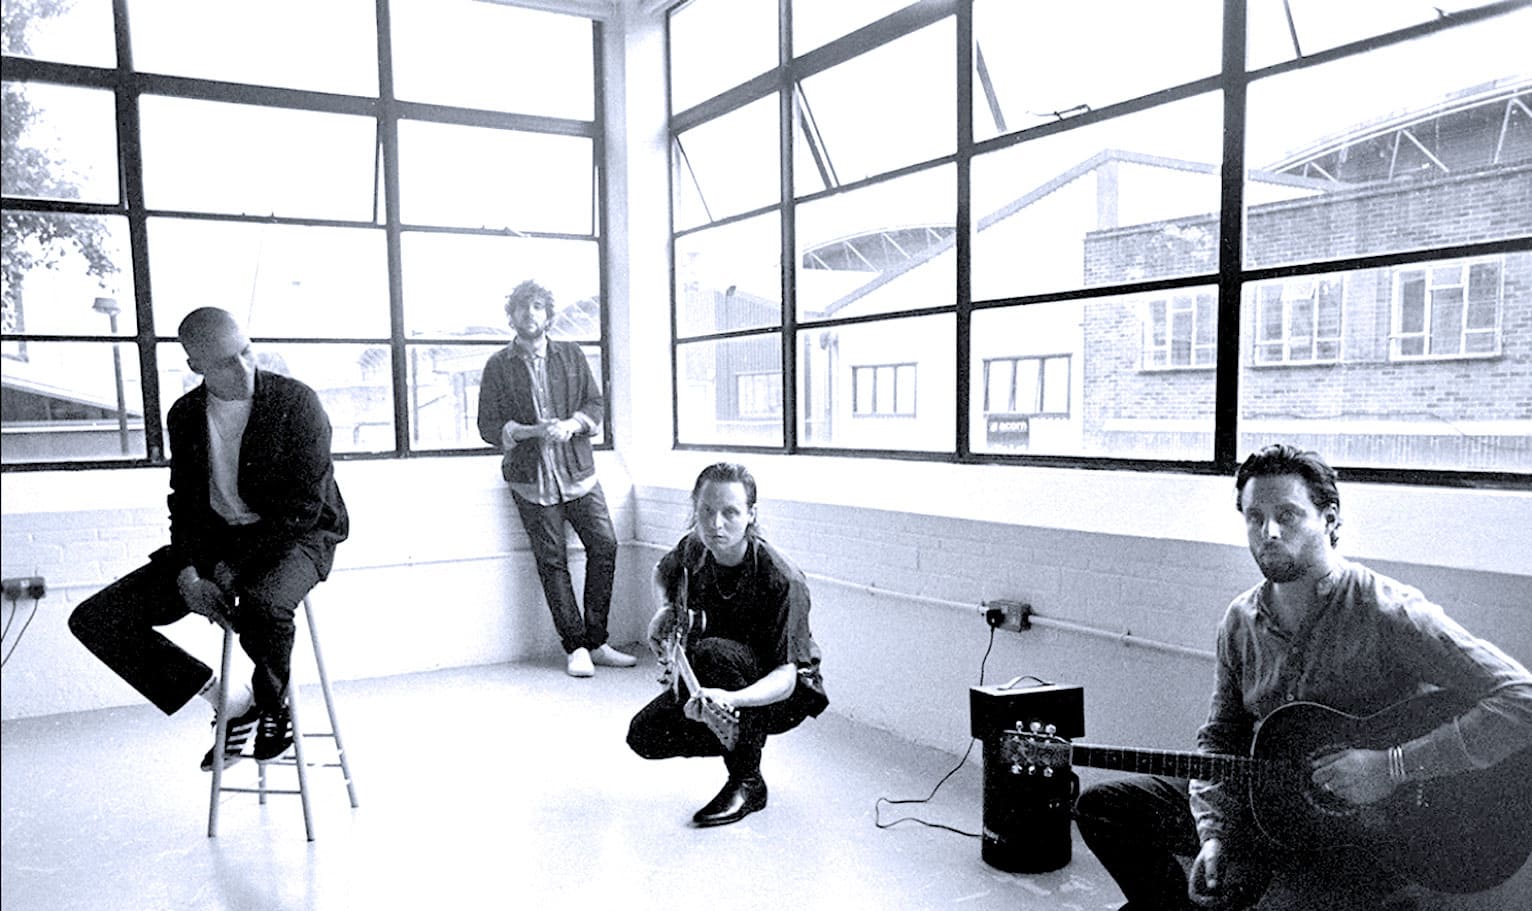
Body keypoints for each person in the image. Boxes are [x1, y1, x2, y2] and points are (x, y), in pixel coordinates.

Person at [1075, 443, 1532, 911]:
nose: (1268, 532)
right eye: (1255, 518)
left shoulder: (1387, 610)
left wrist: (1392, 766)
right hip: (1265, 808)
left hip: (1354, 836)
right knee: (1105, 808)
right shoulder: (1239, 620)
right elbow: (1220, 737)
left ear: (1330, 521)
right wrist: (1213, 834)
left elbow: (1522, 698)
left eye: (1288, 515)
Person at [69, 307, 349, 771]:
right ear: (195, 365)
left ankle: (274, 707)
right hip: (220, 543)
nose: (242, 369)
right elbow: (186, 503)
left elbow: (303, 506)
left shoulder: (296, 403)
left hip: (299, 535)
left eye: (246, 352)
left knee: (262, 604)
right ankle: (230, 701)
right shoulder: (184, 414)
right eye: (224, 362)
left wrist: (231, 570)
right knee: (97, 618)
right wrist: (188, 574)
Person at [626, 462, 829, 827]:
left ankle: (747, 781)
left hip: (782, 694)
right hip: (718, 673)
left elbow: (787, 677)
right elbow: (663, 571)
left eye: (730, 512)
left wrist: (730, 701)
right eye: (706, 511)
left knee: (713, 652)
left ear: (751, 515)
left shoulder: (784, 580)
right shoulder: (696, 546)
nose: (716, 524)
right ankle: (731, 732)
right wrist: (667, 608)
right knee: (644, 736)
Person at [476, 279, 634, 678]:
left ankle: (597, 641)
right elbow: (486, 425)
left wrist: (572, 425)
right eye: (522, 307)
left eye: (537, 307)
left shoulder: (571, 355)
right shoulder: (498, 365)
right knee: (552, 563)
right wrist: (528, 431)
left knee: (605, 546)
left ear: (548, 314)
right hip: (531, 481)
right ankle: (575, 646)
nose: (529, 314)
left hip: (578, 474)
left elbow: (595, 403)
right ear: (510, 316)